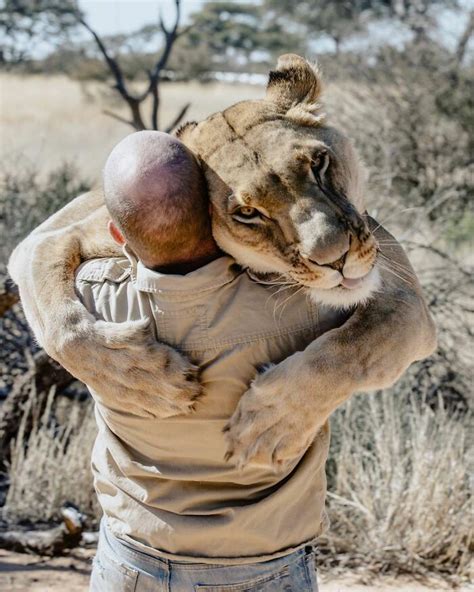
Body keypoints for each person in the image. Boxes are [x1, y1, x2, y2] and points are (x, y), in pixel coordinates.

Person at [76, 130, 347, 591]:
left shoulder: (89, 296)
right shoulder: (306, 306)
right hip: (266, 567)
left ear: (118, 234)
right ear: (215, 210)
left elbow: (48, 248)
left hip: (131, 560)